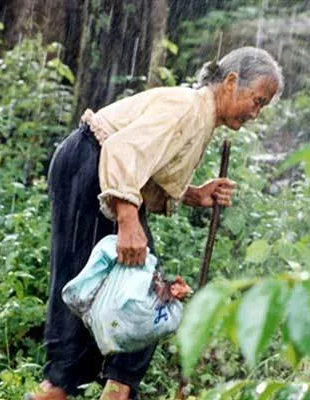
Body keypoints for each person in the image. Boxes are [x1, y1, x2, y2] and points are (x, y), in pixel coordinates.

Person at [29, 46, 283, 400]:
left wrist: (195, 194)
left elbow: (149, 165)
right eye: (257, 101)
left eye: (262, 106)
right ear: (230, 82)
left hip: (104, 178)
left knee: (143, 294)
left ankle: (114, 386)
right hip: (89, 169)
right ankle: (62, 385)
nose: (256, 113)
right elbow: (121, 150)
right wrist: (127, 220)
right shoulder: (187, 107)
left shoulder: (201, 116)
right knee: (94, 288)